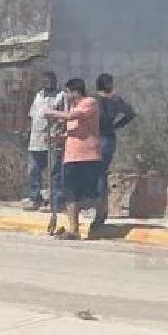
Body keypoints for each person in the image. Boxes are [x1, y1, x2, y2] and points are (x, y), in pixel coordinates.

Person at [45, 78, 101, 240]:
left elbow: (73, 116)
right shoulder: (73, 107)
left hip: (88, 156)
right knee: (70, 194)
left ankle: (99, 214)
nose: (67, 96)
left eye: (68, 92)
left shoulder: (89, 103)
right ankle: (73, 229)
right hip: (71, 157)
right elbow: (74, 132)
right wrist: (56, 138)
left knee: (89, 195)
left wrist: (52, 113)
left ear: (75, 91)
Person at [90, 73, 137, 232]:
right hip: (107, 137)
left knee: (96, 173)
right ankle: (101, 209)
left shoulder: (93, 99)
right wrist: (116, 126)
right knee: (101, 173)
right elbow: (130, 114)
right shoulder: (115, 100)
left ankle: (98, 209)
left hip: (95, 137)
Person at [24, 72, 66, 211]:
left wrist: (60, 132)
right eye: (45, 81)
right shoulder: (38, 96)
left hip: (52, 138)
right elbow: (33, 116)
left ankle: (56, 202)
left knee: (54, 171)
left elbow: (66, 116)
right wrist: (28, 132)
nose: (48, 83)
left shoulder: (61, 96)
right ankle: (35, 198)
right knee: (33, 170)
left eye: (51, 81)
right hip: (36, 140)